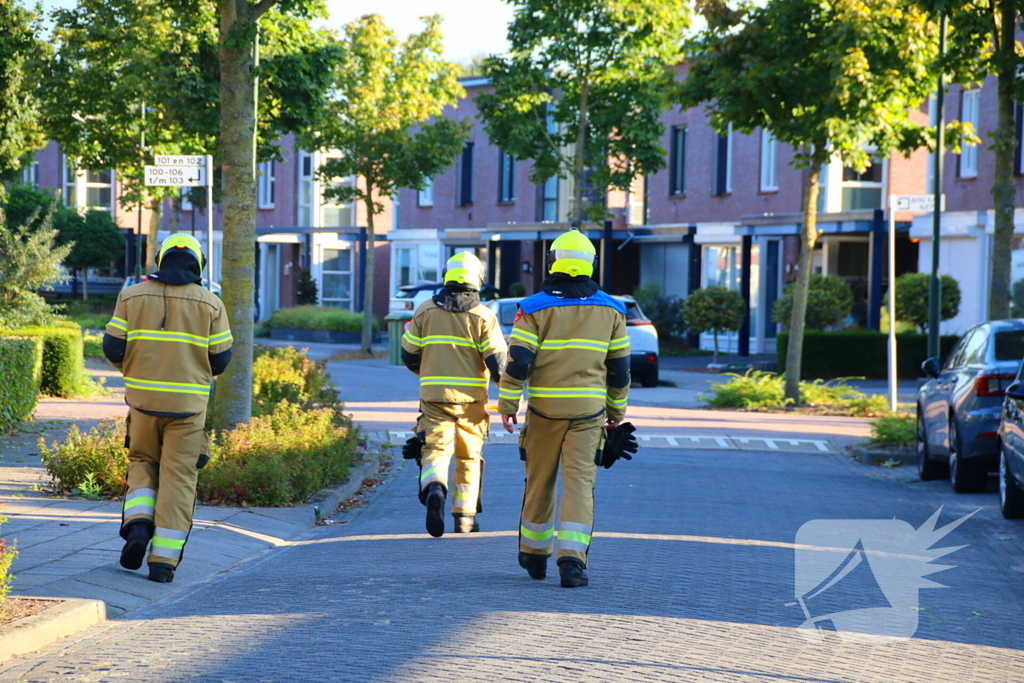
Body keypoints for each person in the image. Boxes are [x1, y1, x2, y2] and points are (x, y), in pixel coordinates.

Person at [498, 228, 630, 588]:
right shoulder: (613, 310)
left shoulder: (534, 308)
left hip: (543, 413)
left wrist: (508, 403)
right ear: (591, 264)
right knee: (579, 486)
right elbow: (619, 369)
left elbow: (518, 362)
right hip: (589, 414)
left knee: (539, 482)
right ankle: (572, 561)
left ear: (552, 261)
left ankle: (533, 555)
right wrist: (616, 412)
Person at [103, 234, 232, 583]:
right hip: (188, 409)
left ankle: (138, 527)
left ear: (161, 260)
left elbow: (113, 347)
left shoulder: (131, 295)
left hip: (143, 403)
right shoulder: (211, 304)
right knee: (179, 479)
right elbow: (221, 360)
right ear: (199, 263)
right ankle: (162, 563)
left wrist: (137, 372)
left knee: (143, 462)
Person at [401, 252, 507, 537]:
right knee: (469, 457)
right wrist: (510, 399)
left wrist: (428, 375)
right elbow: (498, 364)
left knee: (435, 451)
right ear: (478, 280)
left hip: (434, 397)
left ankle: (435, 487)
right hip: (472, 402)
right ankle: (465, 518)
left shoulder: (425, 310)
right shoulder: (484, 316)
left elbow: (408, 354)